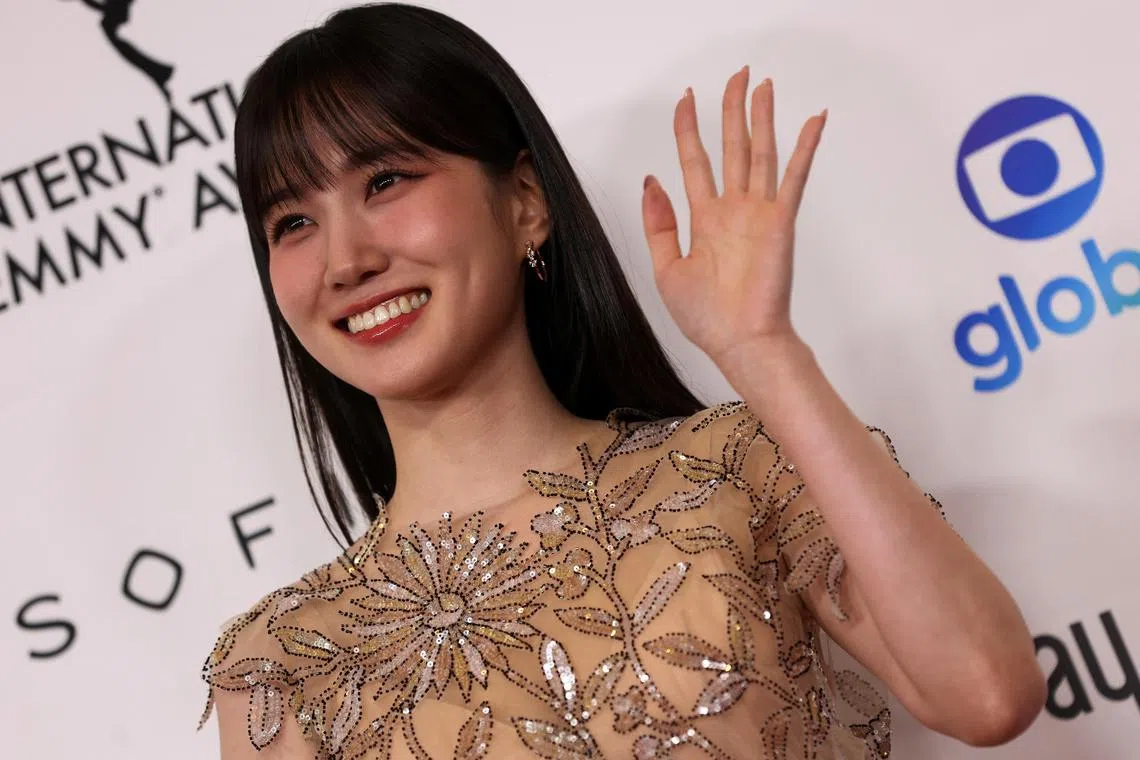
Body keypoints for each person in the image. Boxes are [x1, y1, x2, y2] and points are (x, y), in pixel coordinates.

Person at [198, 4, 1046, 758]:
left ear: (525, 199)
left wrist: (760, 348)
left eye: (386, 181)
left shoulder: (731, 470)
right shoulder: (283, 669)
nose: (347, 259)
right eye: (293, 222)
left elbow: (985, 693)